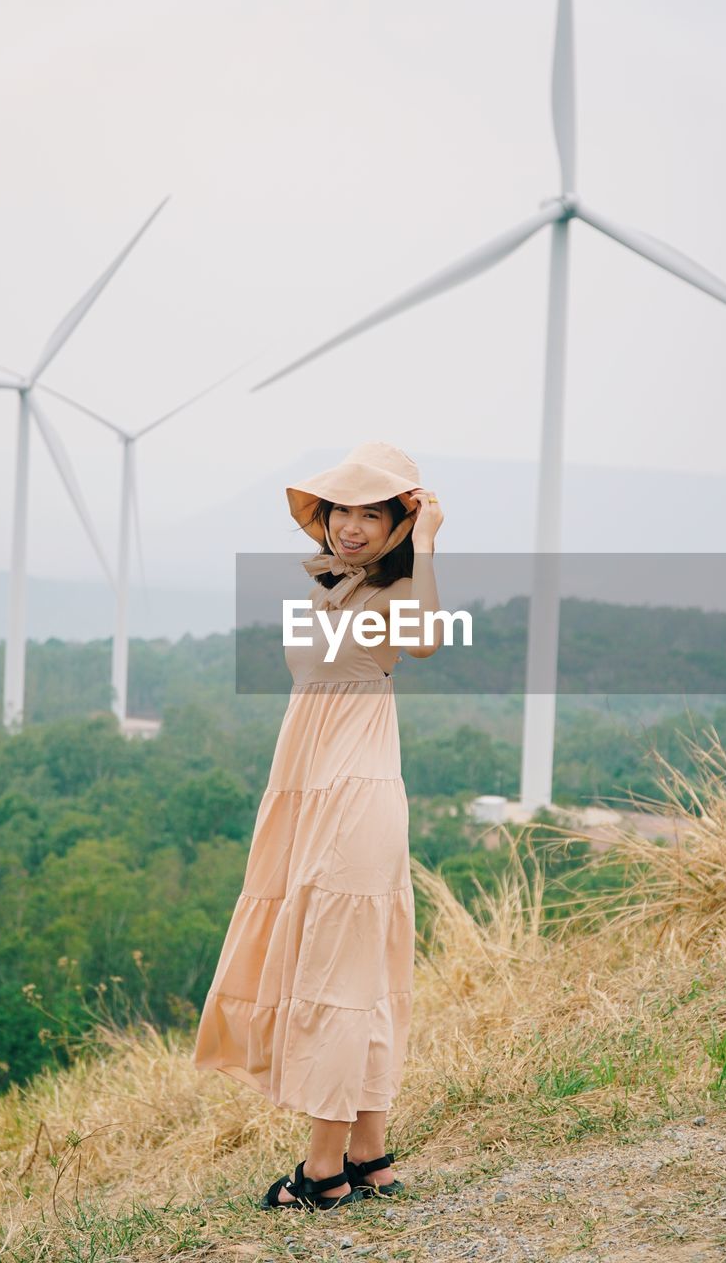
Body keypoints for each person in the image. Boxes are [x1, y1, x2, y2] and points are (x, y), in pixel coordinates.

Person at [192, 441, 444, 1212]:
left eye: (373, 513)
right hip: (313, 789)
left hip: (354, 795)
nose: (352, 527)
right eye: (342, 510)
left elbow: (427, 637)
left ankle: (321, 1171)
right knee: (354, 978)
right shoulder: (331, 590)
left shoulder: (396, 594)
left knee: (339, 980)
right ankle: (368, 1156)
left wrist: (427, 543)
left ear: (399, 523)